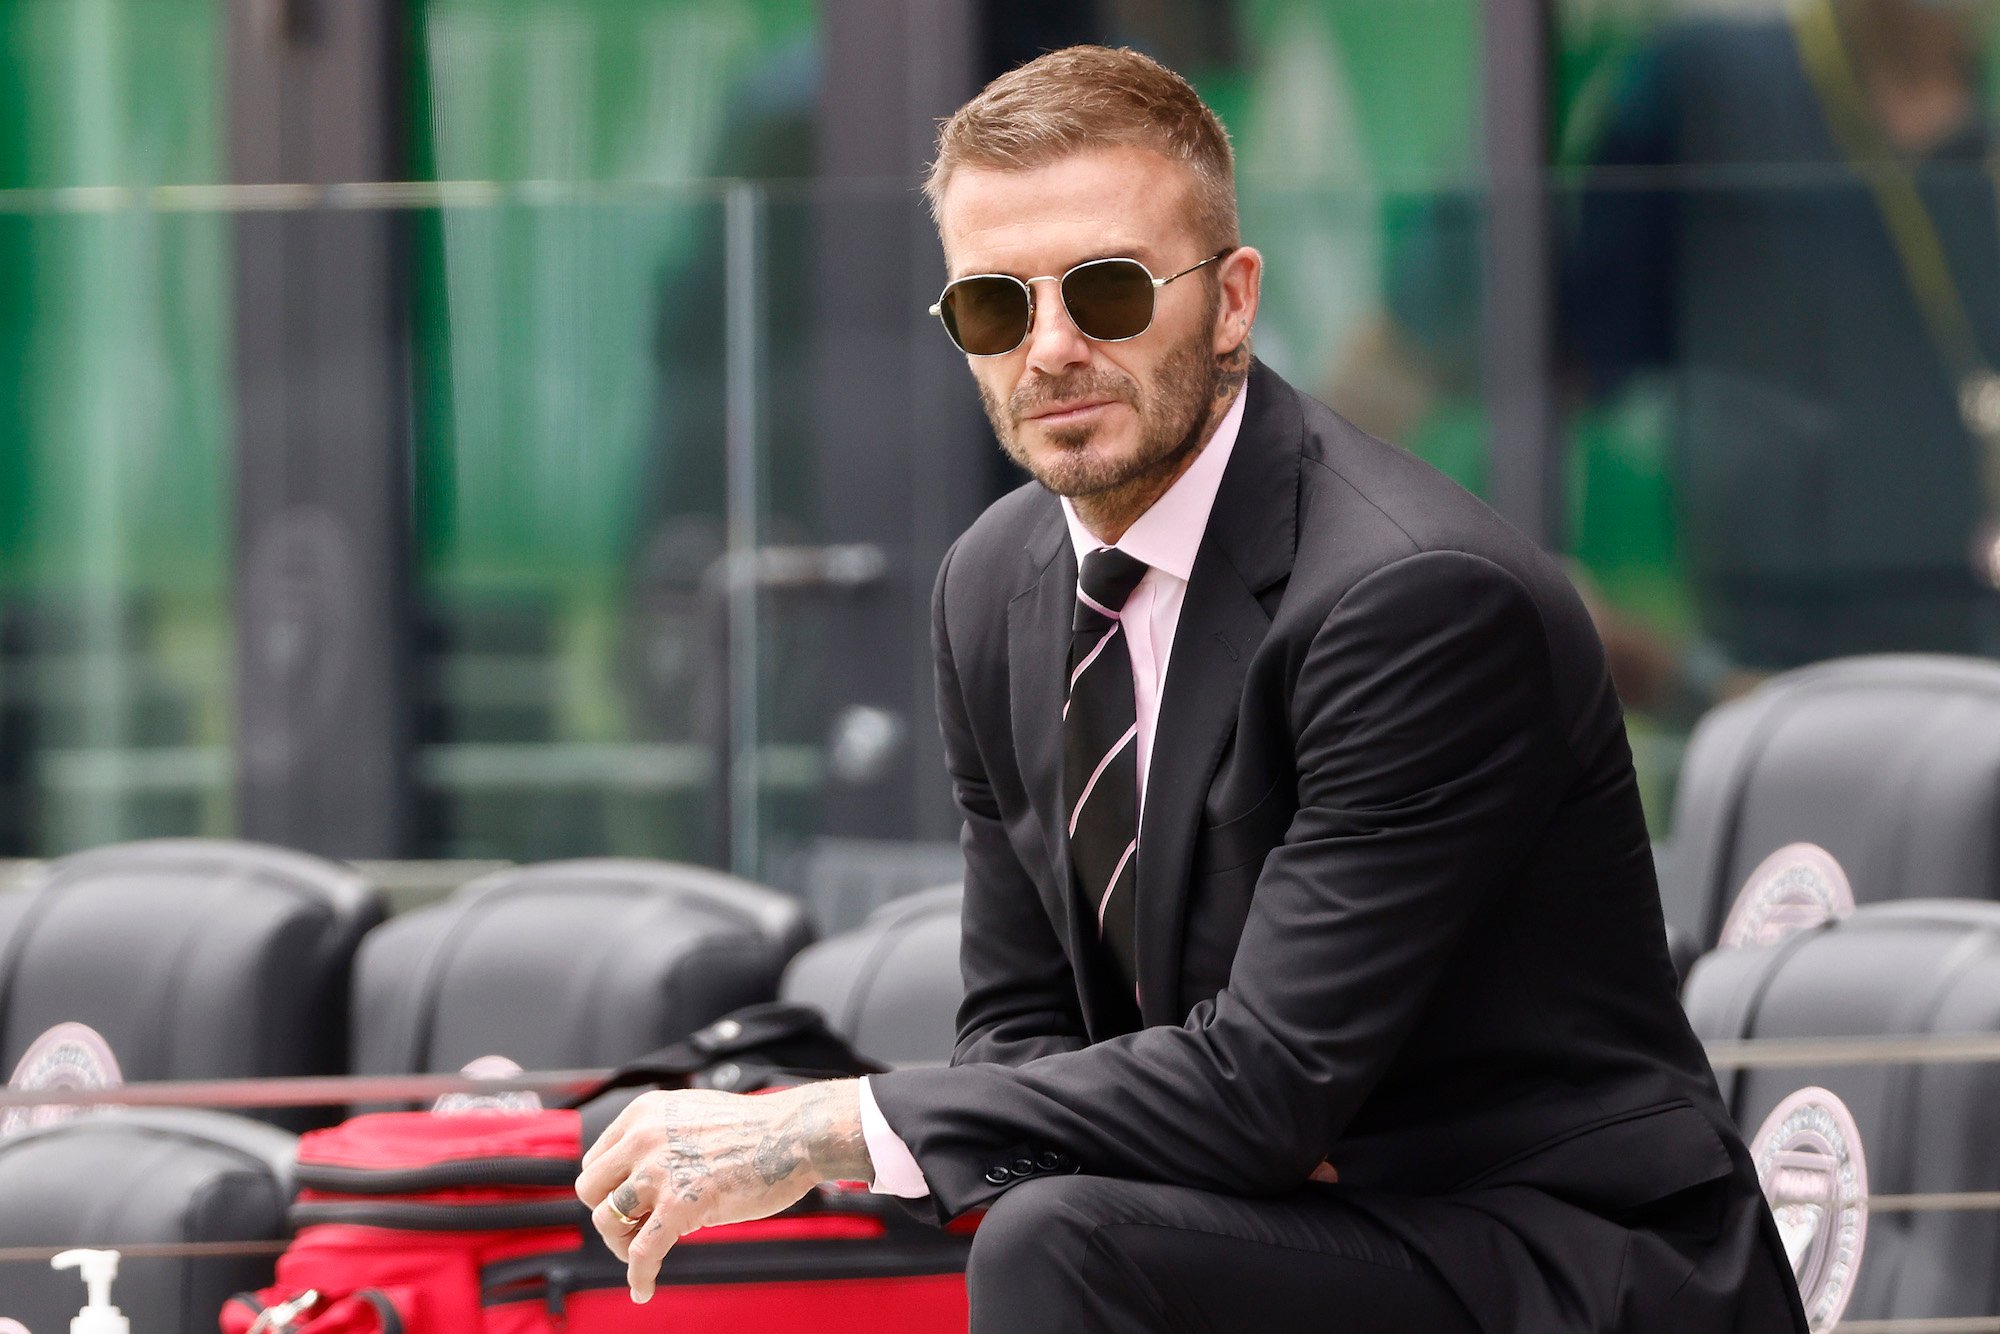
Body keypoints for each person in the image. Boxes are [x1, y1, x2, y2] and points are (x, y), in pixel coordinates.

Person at [575, 45, 1807, 1332]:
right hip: (1289, 1216)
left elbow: (1266, 1084)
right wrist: (1192, 1130)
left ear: (1230, 300)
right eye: (994, 307)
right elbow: (1021, 1022)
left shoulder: (1412, 595)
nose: (1048, 349)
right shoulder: (990, 584)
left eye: (1104, 291)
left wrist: (834, 1122)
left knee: (1060, 1236)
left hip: (1556, 1255)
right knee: (1054, 1214)